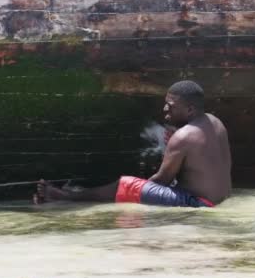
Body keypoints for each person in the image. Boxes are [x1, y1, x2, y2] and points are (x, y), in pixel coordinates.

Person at [34, 80, 232, 207]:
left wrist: (135, 190)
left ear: (189, 110)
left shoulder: (183, 137)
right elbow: (199, 164)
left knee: (126, 184)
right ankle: (75, 194)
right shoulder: (215, 122)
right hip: (221, 198)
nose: (165, 110)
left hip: (200, 203)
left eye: (171, 106)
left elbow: (161, 180)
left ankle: (66, 197)